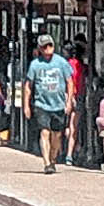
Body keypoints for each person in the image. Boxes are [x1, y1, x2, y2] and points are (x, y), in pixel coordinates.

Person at [29, 37, 75, 172]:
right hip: (41, 104)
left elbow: (70, 82)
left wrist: (69, 101)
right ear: (40, 49)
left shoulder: (61, 63)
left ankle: (53, 158)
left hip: (59, 105)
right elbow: (28, 85)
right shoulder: (35, 65)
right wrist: (27, 105)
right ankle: (47, 163)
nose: (47, 49)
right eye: (44, 46)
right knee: (44, 132)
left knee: (57, 135)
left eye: (50, 45)